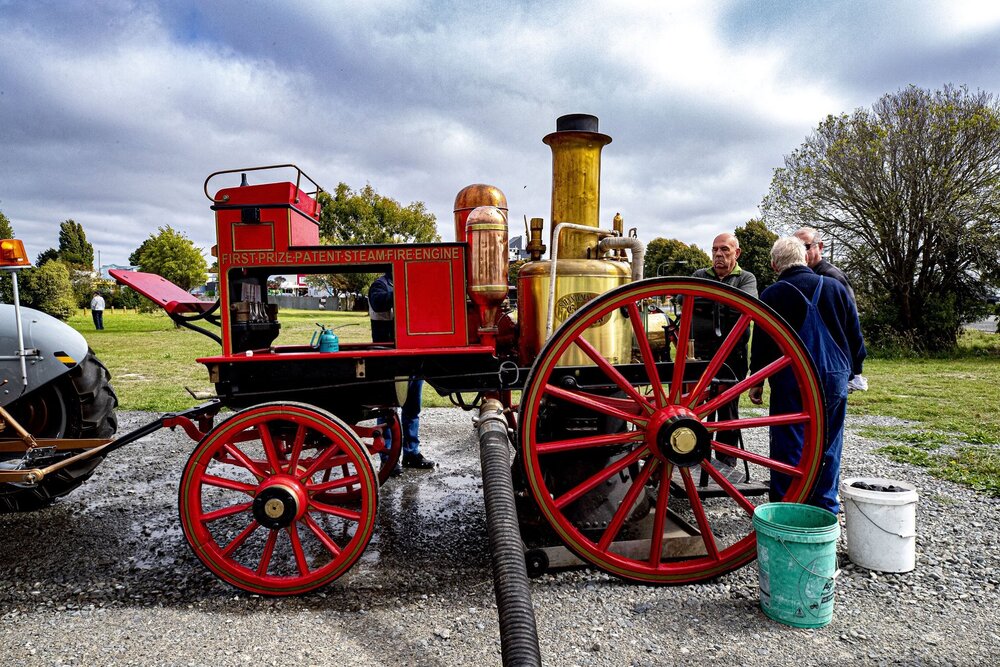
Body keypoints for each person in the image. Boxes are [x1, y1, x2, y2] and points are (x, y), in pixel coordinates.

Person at [748, 237, 866, 513]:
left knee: (789, 440)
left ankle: (788, 504)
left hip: (792, 378)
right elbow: (854, 336)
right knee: (830, 442)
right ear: (804, 257)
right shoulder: (835, 288)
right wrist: (855, 371)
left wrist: (757, 380)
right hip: (835, 376)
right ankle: (825, 506)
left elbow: (763, 343)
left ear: (775, 264)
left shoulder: (773, 295)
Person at [691, 233, 758, 480]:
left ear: (736, 253)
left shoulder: (746, 278)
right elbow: (683, 298)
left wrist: (707, 302)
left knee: (728, 408)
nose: (719, 255)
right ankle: (696, 455)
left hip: (733, 354)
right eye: (715, 250)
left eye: (725, 250)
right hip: (700, 354)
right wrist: (724, 302)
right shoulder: (700, 275)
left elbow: (747, 305)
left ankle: (726, 462)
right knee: (697, 407)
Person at [368, 272, 435, 475]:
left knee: (412, 408)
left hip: (413, 356)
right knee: (388, 410)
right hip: (390, 358)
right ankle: (388, 459)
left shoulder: (392, 285)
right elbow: (379, 303)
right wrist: (408, 291)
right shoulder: (378, 286)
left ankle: (411, 453)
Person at [794, 226, 867, 391]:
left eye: (805, 246)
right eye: (797, 247)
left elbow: (851, 322)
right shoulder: (804, 277)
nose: (801, 252)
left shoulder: (833, 277)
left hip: (832, 359)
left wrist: (856, 368)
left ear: (820, 247)